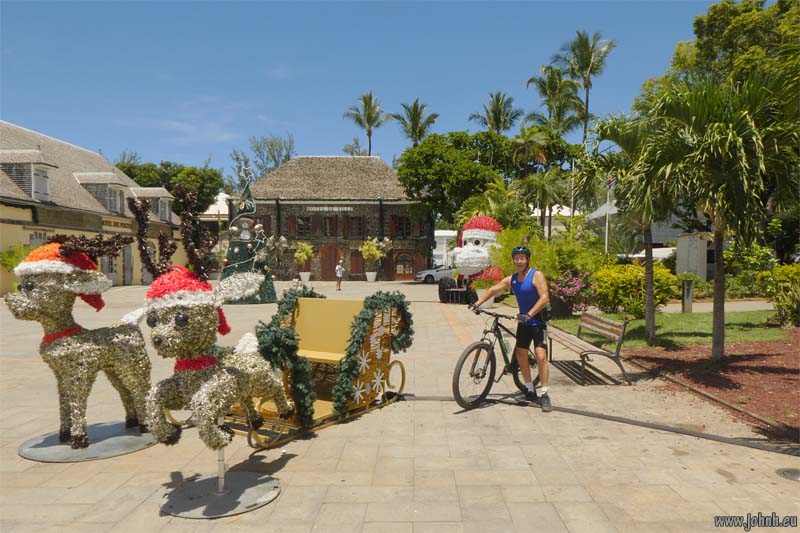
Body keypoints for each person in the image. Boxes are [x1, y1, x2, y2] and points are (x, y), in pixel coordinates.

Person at [468, 245, 552, 412]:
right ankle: (529, 388)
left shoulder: (536, 275)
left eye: (522, 258)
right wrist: (476, 303)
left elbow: (545, 298)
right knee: (521, 354)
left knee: (541, 356)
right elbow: (493, 289)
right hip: (523, 323)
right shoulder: (513, 279)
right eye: (516, 258)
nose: (519, 261)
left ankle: (544, 393)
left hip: (537, 322)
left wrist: (529, 314)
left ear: (527, 259)